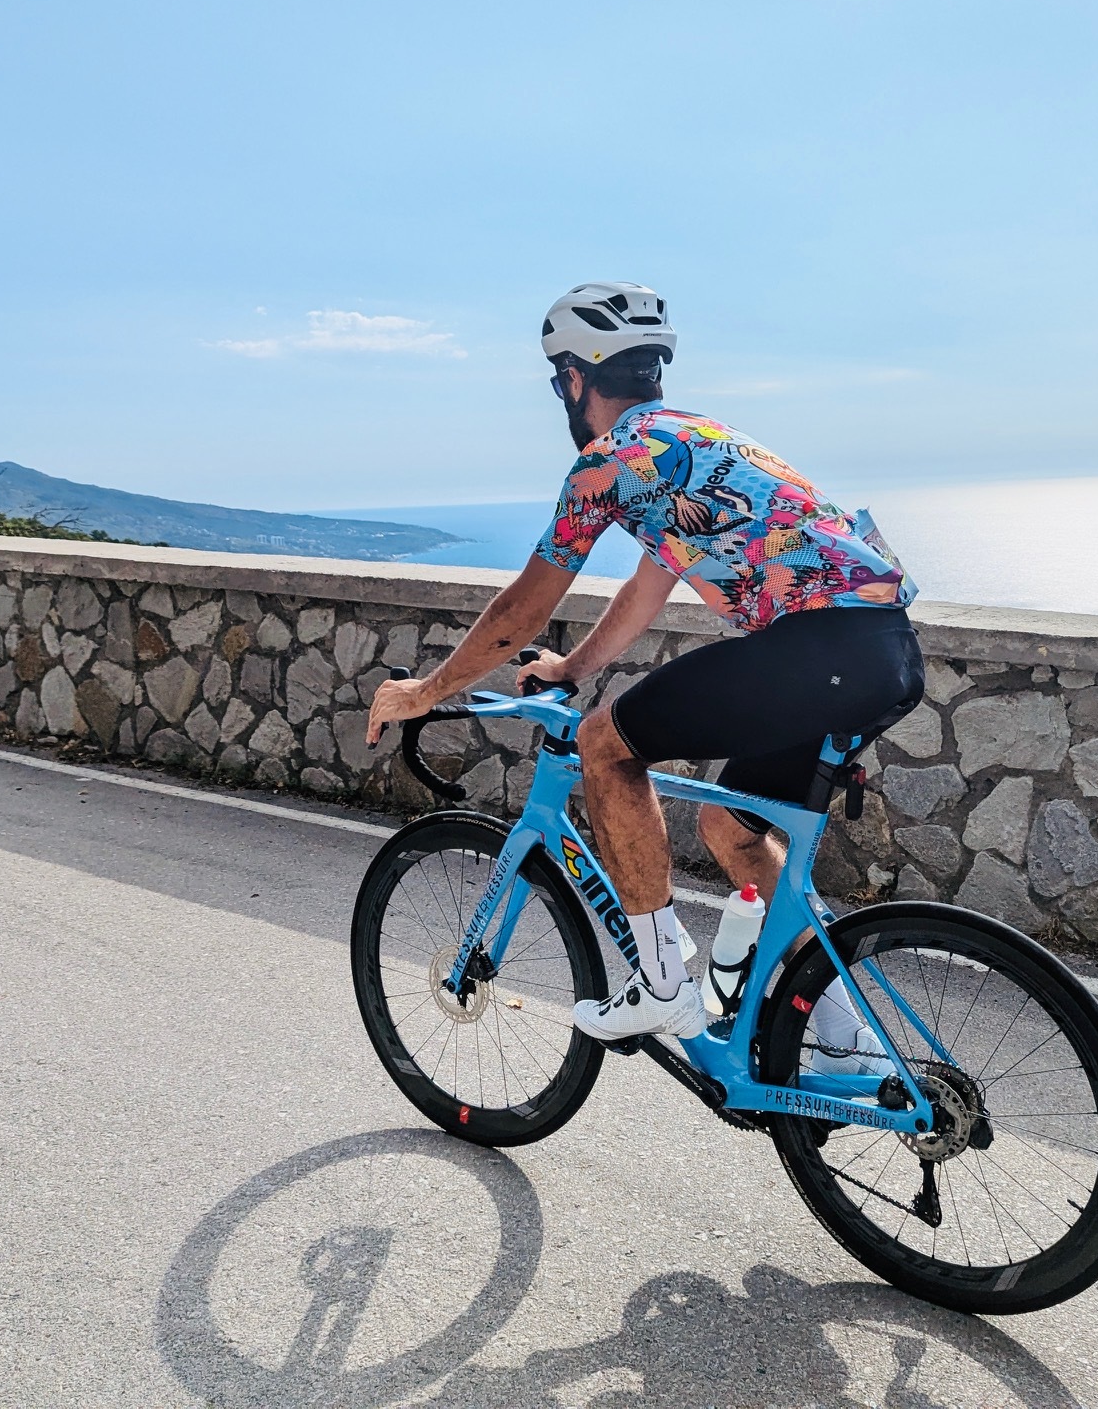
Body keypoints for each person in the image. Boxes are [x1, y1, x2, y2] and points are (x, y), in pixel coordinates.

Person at [367, 282, 923, 1040]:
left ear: (573, 379)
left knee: (604, 745)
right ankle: (840, 1040)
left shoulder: (609, 460)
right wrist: (572, 668)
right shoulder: (694, 438)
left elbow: (521, 612)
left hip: (818, 646)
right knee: (732, 826)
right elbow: (647, 586)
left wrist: (426, 690)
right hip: (883, 649)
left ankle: (661, 983)